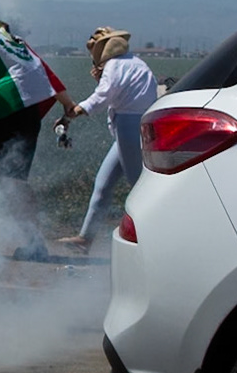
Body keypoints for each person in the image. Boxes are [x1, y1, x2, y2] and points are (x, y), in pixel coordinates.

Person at [0, 10, 81, 253]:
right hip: (27, 115)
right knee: (13, 181)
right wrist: (68, 104)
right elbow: (44, 72)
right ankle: (34, 244)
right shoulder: (13, 40)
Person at [55, 27, 159, 253]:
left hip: (128, 125)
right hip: (137, 124)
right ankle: (86, 239)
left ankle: (153, 240)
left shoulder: (115, 65)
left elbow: (104, 95)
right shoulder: (135, 62)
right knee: (103, 184)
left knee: (138, 187)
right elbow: (116, 91)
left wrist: (76, 110)